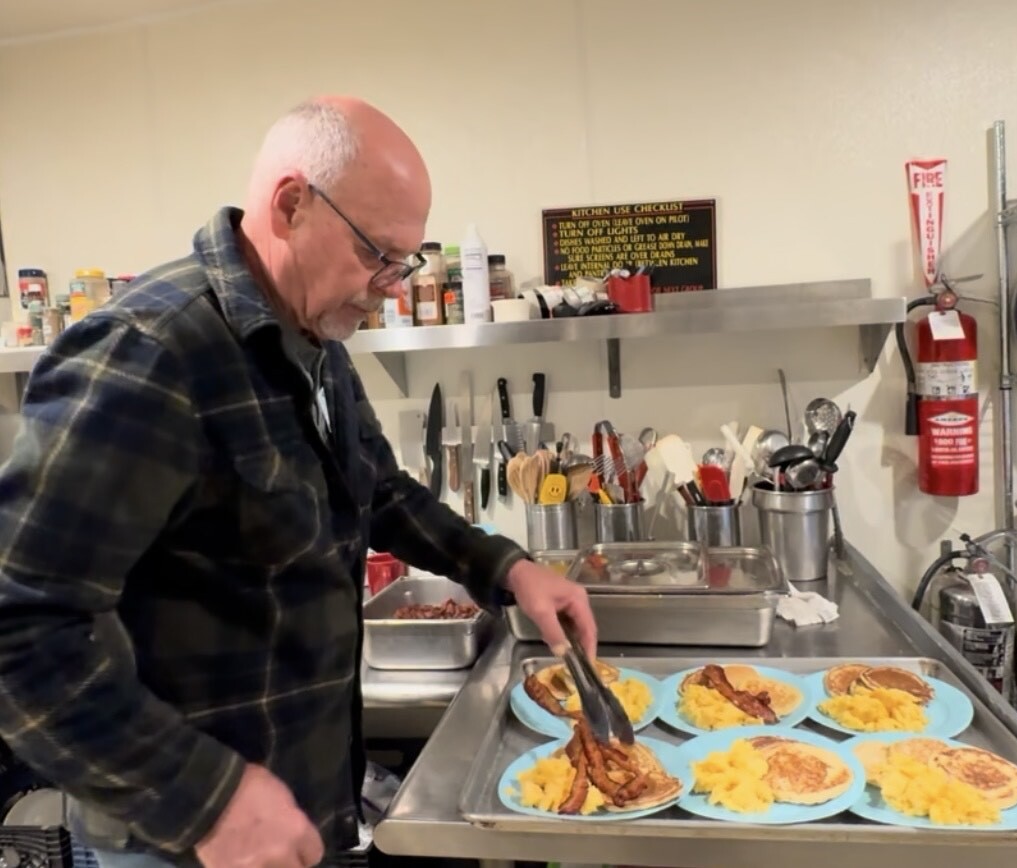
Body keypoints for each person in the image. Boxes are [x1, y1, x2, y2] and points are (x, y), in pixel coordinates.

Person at [0, 97, 597, 868]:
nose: (390, 284)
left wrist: (506, 567)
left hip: (297, 805)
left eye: (404, 261)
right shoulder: (150, 353)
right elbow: (21, 628)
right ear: (290, 204)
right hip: (183, 837)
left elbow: (378, 491)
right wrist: (204, 798)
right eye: (378, 254)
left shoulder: (312, 335)